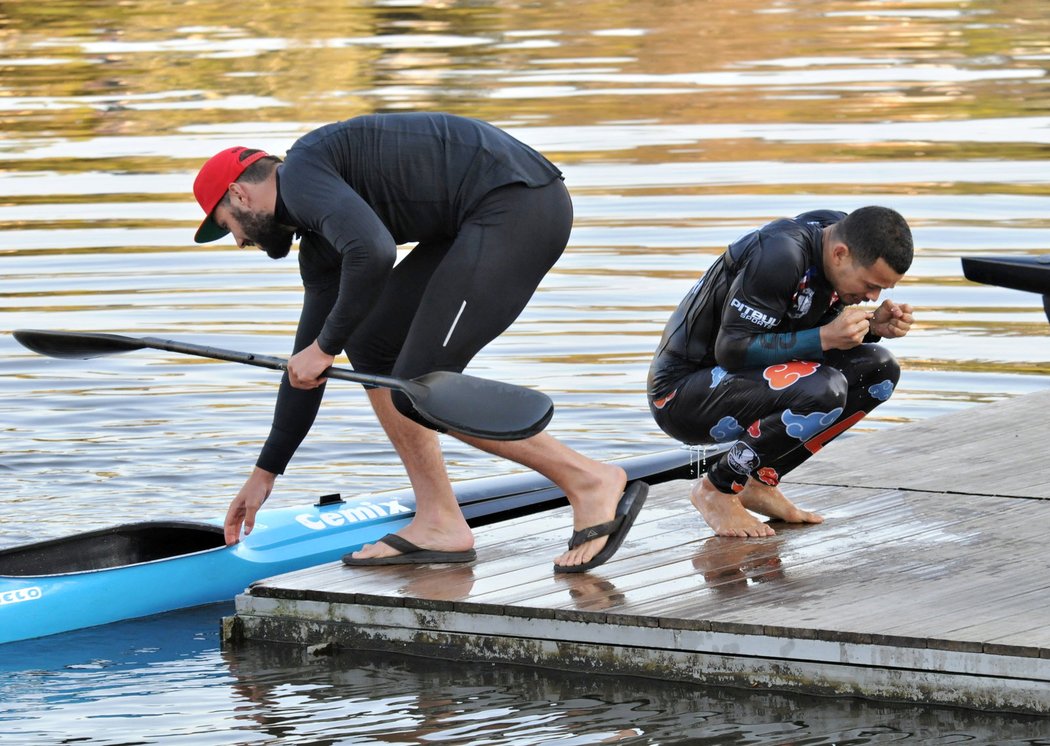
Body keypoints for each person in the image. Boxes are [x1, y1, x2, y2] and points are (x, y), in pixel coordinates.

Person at [192, 112, 647, 572]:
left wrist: (326, 347)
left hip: (518, 206)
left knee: (418, 387)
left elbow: (374, 253)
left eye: (228, 225)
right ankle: (438, 520)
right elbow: (304, 366)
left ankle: (588, 480)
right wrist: (265, 473)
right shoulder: (321, 236)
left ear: (239, 194)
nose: (238, 240)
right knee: (372, 343)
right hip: (479, 218)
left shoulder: (303, 172)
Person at [647, 207, 914, 537]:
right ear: (840, 254)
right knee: (823, 388)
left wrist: (871, 328)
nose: (872, 297)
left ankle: (758, 480)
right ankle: (716, 489)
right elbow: (732, 349)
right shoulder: (780, 253)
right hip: (680, 396)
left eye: (881, 292)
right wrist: (826, 337)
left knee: (879, 370)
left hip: (740, 382)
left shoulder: (837, 234)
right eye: (870, 285)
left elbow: (792, 325)